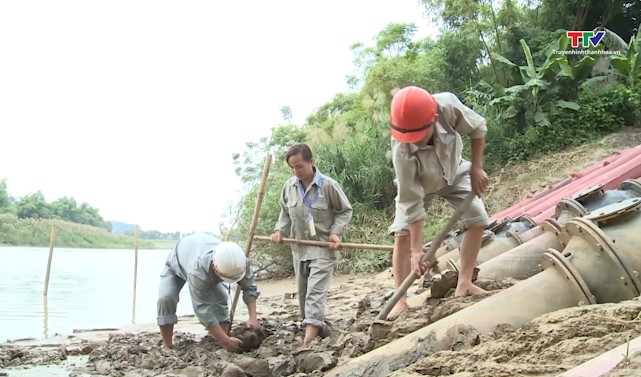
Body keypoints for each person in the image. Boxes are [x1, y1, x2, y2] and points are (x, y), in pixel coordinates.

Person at [386, 86, 492, 320]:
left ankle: (464, 283)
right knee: (402, 236)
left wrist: (476, 167)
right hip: (419, 185)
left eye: (418, 136)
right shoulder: (402, 151)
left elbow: (477, 128)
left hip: (454, 170)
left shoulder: (447, 106)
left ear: (433, 119)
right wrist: (416, 250)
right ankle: (400, 300)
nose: (413, 141)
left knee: (477, 219)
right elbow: (411, 202)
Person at [270, 143, 353, 347]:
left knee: (315, 292)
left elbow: (345, 211)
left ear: (311, 162)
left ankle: (308, 340)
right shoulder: (289, 187)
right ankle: (318, 327)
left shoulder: (328, 186)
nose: (296, 171)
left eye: (299, 166)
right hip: (299, 250)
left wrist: (335, 233)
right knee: (304, 295)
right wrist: (280, 231)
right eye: (292, 168)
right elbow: (284, 213)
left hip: (323, 249)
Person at [156, 232, 261, 351]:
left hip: (201, 257)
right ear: (215, 267)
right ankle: (168, 346)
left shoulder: (240, 262)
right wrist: (226, 340)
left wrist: (253, 317)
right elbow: (202, 310)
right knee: (166, 298)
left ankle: (222, 344)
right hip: (177, 264)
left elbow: (249, 288)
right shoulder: (198, 271)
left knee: (221, 297)